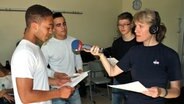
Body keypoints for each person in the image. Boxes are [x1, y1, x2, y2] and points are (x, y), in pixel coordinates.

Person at [85, 9, 182, 104]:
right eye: (135, 26)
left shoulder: (170, 55)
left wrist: (161, 92)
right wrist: (101, 55)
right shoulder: (134, 51)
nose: (135, 30)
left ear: (153, 29)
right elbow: (112, 72)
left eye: (140, 26)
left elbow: (176, 91)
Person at [11, 4, 74, 104]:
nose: (51, 32)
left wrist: (56, 81)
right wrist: (58, 93)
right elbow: (26, 96)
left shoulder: (35, 48)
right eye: (48, 28)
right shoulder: (24, 53)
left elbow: (38, 78)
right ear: (34, 26)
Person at [41, 12, 83, 104]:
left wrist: (80, 70)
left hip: (73, 88)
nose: (63, 27)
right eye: (58, 25)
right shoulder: (46, 46)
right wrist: (54, 74)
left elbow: (77, 58)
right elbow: (42, 68)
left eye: (64, 24)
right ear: (53, 29)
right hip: (58, 90)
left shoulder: (74, 41)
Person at [110, 12, 140, 104]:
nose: (122, 27)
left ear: (131, 25)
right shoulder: (116, 43)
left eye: (125, 24)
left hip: (132, 82)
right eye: (120, 25)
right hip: (118, 80)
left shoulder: (139, 42)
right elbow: (113, 61)